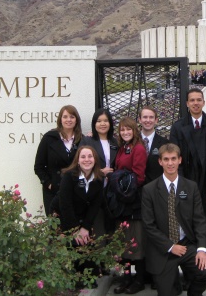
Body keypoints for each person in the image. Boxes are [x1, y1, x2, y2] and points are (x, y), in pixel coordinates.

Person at [142, 143, 206, 296]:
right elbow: (149, 226)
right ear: (160, 162)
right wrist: (170, 246)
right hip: (163, 248)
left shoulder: (191, 187)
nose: (170, 163)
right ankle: (173, 284)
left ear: (180, 160)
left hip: (186, 245)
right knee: (168, 292)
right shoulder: (149, 190)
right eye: (166, 159)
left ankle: (194, 293)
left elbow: (200, 220)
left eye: (173, 159)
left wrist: (202, 250)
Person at [169, 88, 206, 289]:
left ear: (203, 102)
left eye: (199, 100)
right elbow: (175, 160)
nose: (195, 103)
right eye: (191, 100)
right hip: (187, 186)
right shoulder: (178, 127)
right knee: (189, 231)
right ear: (186, 103)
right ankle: (191, 274)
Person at [58, 145, 105, 284]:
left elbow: (95, 206)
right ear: (77, 160)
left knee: (92, 277)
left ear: (95, 160)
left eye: (90, 156)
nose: (87, 160)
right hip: (65, 218)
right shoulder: (69, 176)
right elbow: (65, 205)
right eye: (83, 157)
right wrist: (75, 230)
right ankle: (74, 278)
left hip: (83, 219)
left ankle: (86, 276)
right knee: (75, 246)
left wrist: (85, 227)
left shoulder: (99, 178)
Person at [112, 117, 147, 295]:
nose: (125, 132)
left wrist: (120, 180)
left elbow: (139, 177)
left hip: (133, 202)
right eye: (122, 130)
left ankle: (139, 279)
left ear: (134, 131)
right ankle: (126, 278)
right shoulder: (122, 148)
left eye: (128, 129)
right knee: (123, 241)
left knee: (136, 240)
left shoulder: (138, 148)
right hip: (121, 200)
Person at [34, 105, 84, 216]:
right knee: (56, 229)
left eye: (72, 117)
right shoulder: (49, 138)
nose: (68, 120)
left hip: (75, 192)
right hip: (53, 192)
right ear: (60, 119)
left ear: (76, 120)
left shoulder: (82, 140)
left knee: (74, 228)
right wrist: (49, 184)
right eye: (65, 117)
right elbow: (39, 166)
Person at [83, 108, 118, 234]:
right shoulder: (88, 140)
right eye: (99, 121)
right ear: (94, 123)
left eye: (105, 121)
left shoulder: (116, 141)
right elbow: (81, 164)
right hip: (94, 188)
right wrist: (99, 172)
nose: (102, 124)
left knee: (111, 226)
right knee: (95, 225)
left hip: (112, 191)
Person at [139, 106, 169, 184]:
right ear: (139, 120)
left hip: (156, 188)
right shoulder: (132, 141)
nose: (148, 120)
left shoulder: (165, 143)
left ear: (156, 120)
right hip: (135, 189)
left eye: (151, 117)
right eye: (145, 117)